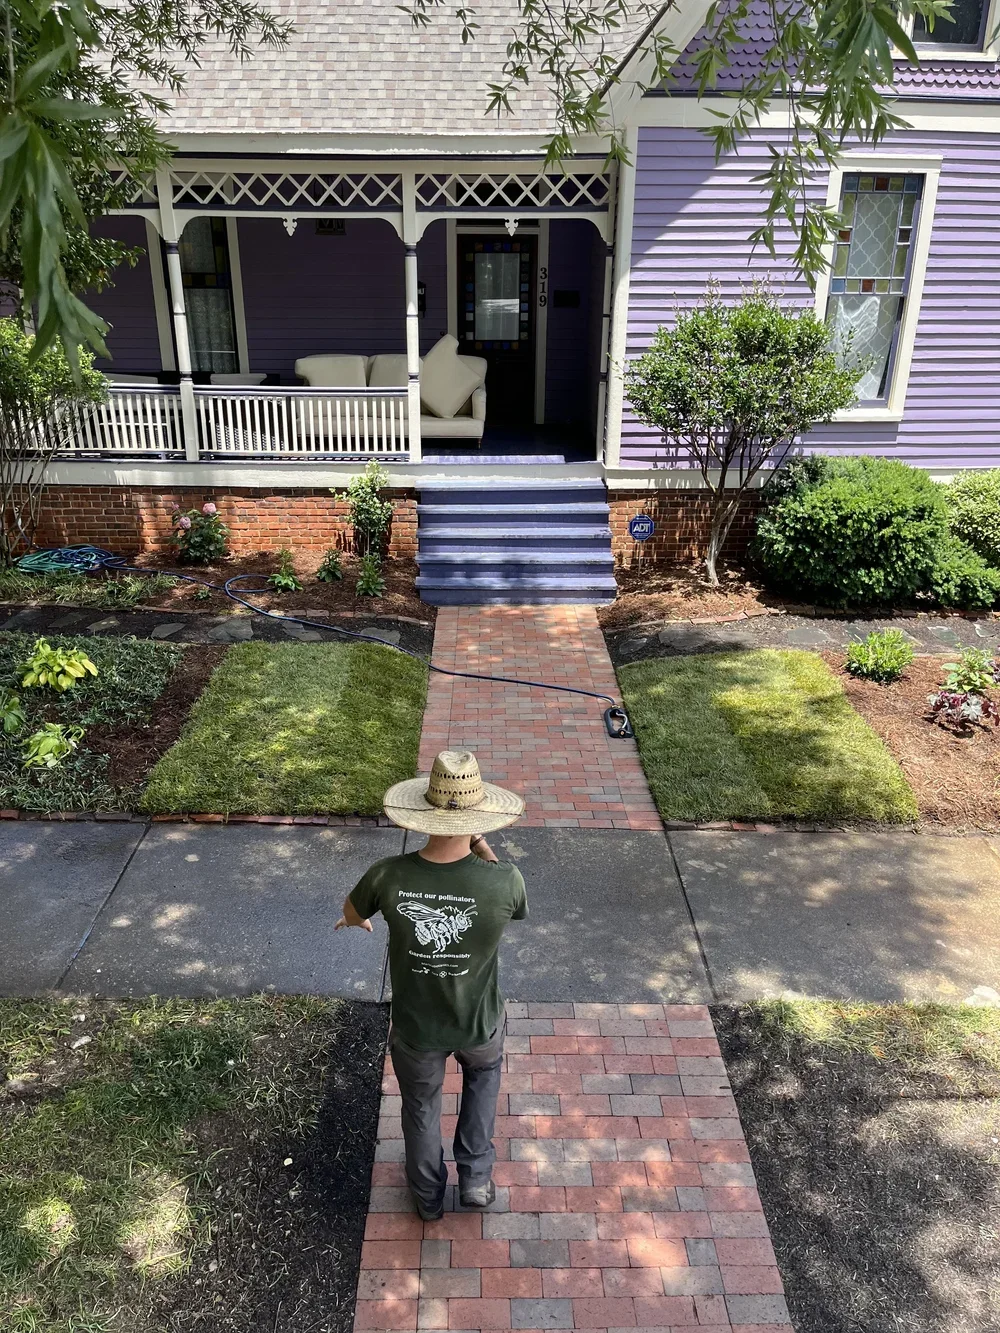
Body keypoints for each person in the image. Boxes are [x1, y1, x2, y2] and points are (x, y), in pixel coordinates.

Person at [336, 749, 528, 1221]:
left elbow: (352, 913)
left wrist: (360, 923)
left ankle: (426, 1198)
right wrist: (483, 852)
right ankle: (476, 1178)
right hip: (479, 1021)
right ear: (480, 815)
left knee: (420, 1107)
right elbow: (514, 904)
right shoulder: (504, 880)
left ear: (421, 815)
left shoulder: (388, 874)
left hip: (417, 1027)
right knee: (483, 1081)